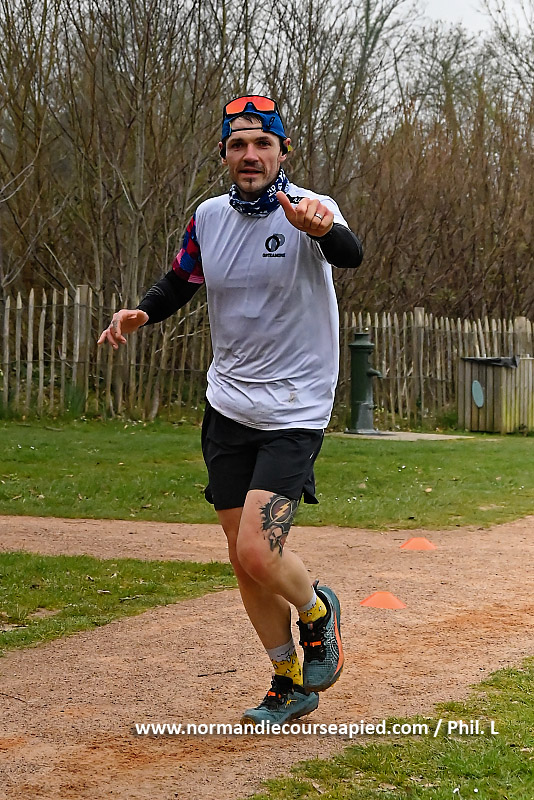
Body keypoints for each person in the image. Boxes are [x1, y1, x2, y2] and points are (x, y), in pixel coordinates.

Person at [98, 95, 363, 725]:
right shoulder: (208, 217)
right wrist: (141, 313)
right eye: (238, 144)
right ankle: (287, 680)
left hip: (295, 408)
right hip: (228, 405)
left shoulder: (309, 209)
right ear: (223, 154)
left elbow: (349, 251)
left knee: (259, 551)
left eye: (262, 143)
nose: (250, 154)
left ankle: (318, 611)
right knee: (241, 557)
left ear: (282, 152)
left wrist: (321, 229)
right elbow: (181, 281)